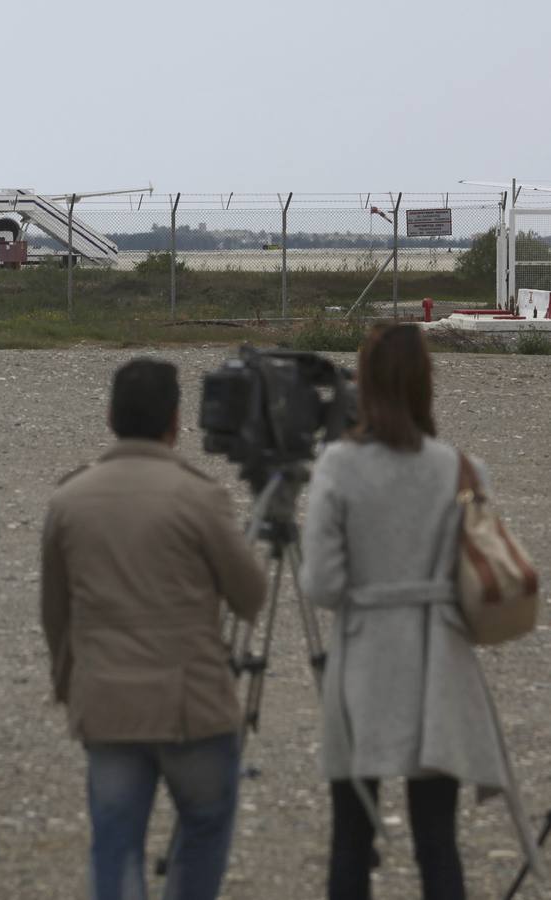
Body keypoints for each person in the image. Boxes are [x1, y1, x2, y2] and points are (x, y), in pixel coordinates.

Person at [299, 323, 540, 900]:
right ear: (426, 384)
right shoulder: (463, 469)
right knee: (438, 842)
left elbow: (324, 586)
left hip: (364, 658)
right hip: (439, 661)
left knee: (351, 840)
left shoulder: (337, 466)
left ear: (367, 385)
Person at [40, 357, 266, 900]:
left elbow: (55, 613)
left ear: (111, 415)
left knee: (114, 843)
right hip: (190, 704)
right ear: (175, 420)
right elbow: (250, 597)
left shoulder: (69, 500)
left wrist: (71, 685)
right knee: (206, 824)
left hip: (109, 703)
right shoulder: (199, 497)